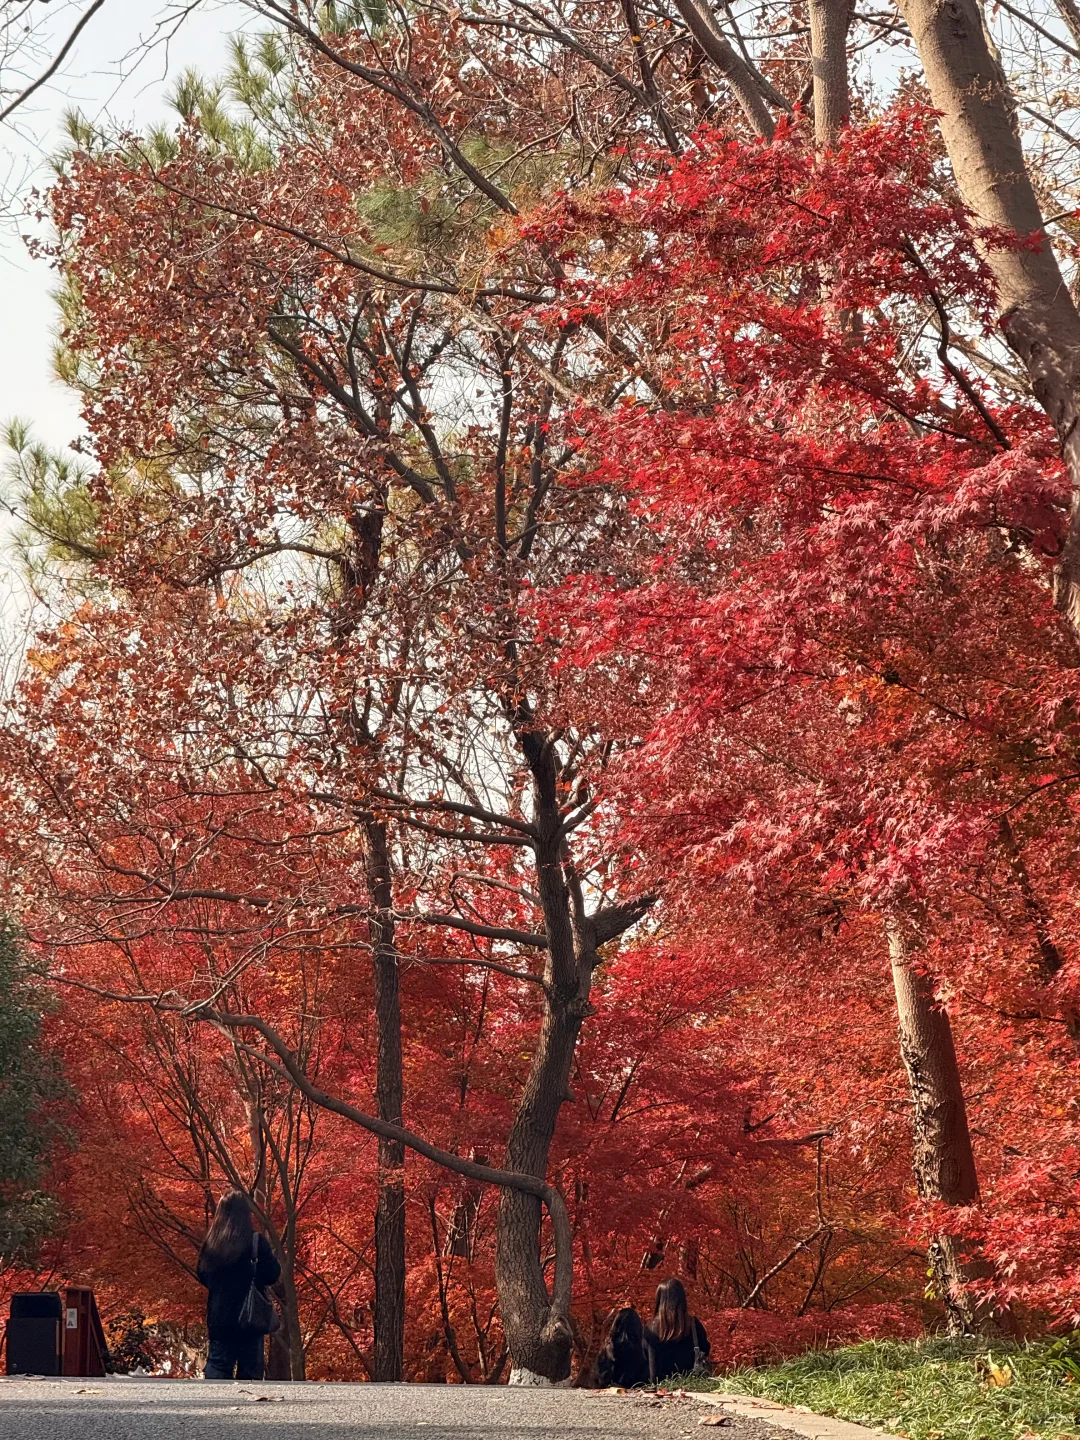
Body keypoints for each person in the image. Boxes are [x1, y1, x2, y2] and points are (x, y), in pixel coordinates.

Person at [196, 1190, 280, 1381]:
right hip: (251, 1317)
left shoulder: (212, 1243)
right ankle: (247, 1408)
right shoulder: (255, 1242)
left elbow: (202, 1274)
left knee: (218, 1365)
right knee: (250, 1370)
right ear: (246, 1214)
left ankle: (215, 1406)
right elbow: (273, 1275)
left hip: (220, 1316)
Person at [644, 1277, 710, 1384]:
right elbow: (705, 1349)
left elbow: (645, 1356)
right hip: (691, 1385)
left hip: (659, 1386)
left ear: (660, 1300)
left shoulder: (651, 1328)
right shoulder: (692, 1324)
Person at [595, 1306, 650, 1388]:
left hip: (611, 1388)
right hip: (636, 1387)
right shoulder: (641, 1347)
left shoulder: (608, 1347)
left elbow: (602, 1373)